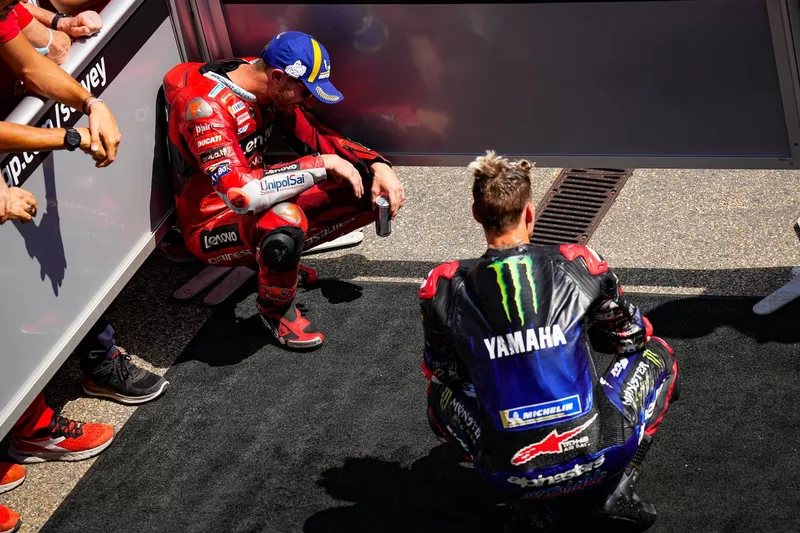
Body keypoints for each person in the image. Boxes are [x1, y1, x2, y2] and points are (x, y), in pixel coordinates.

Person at [419, 151, 680, 532]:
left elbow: (444, 370)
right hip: (604, 452)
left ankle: (528, 509)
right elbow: (631, 337)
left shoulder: (442, 286)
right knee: (658, 354)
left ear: (476, 214)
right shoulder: (579, 263)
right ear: (530, 212)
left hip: (509, 474)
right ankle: (617, 489)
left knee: (439, 393)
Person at [163, 30, 405, 350]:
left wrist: (376, 164)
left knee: (364, 188)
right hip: (210, 224)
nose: (308, 101)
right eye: (305, 92)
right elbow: (241, 195)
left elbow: (313, 136)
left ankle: (272, 262)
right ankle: (275, 310)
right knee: (285, 223)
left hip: (256, 198)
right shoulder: (205, 108)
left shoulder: (264, 80)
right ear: (278, 76)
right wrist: (318, 165)